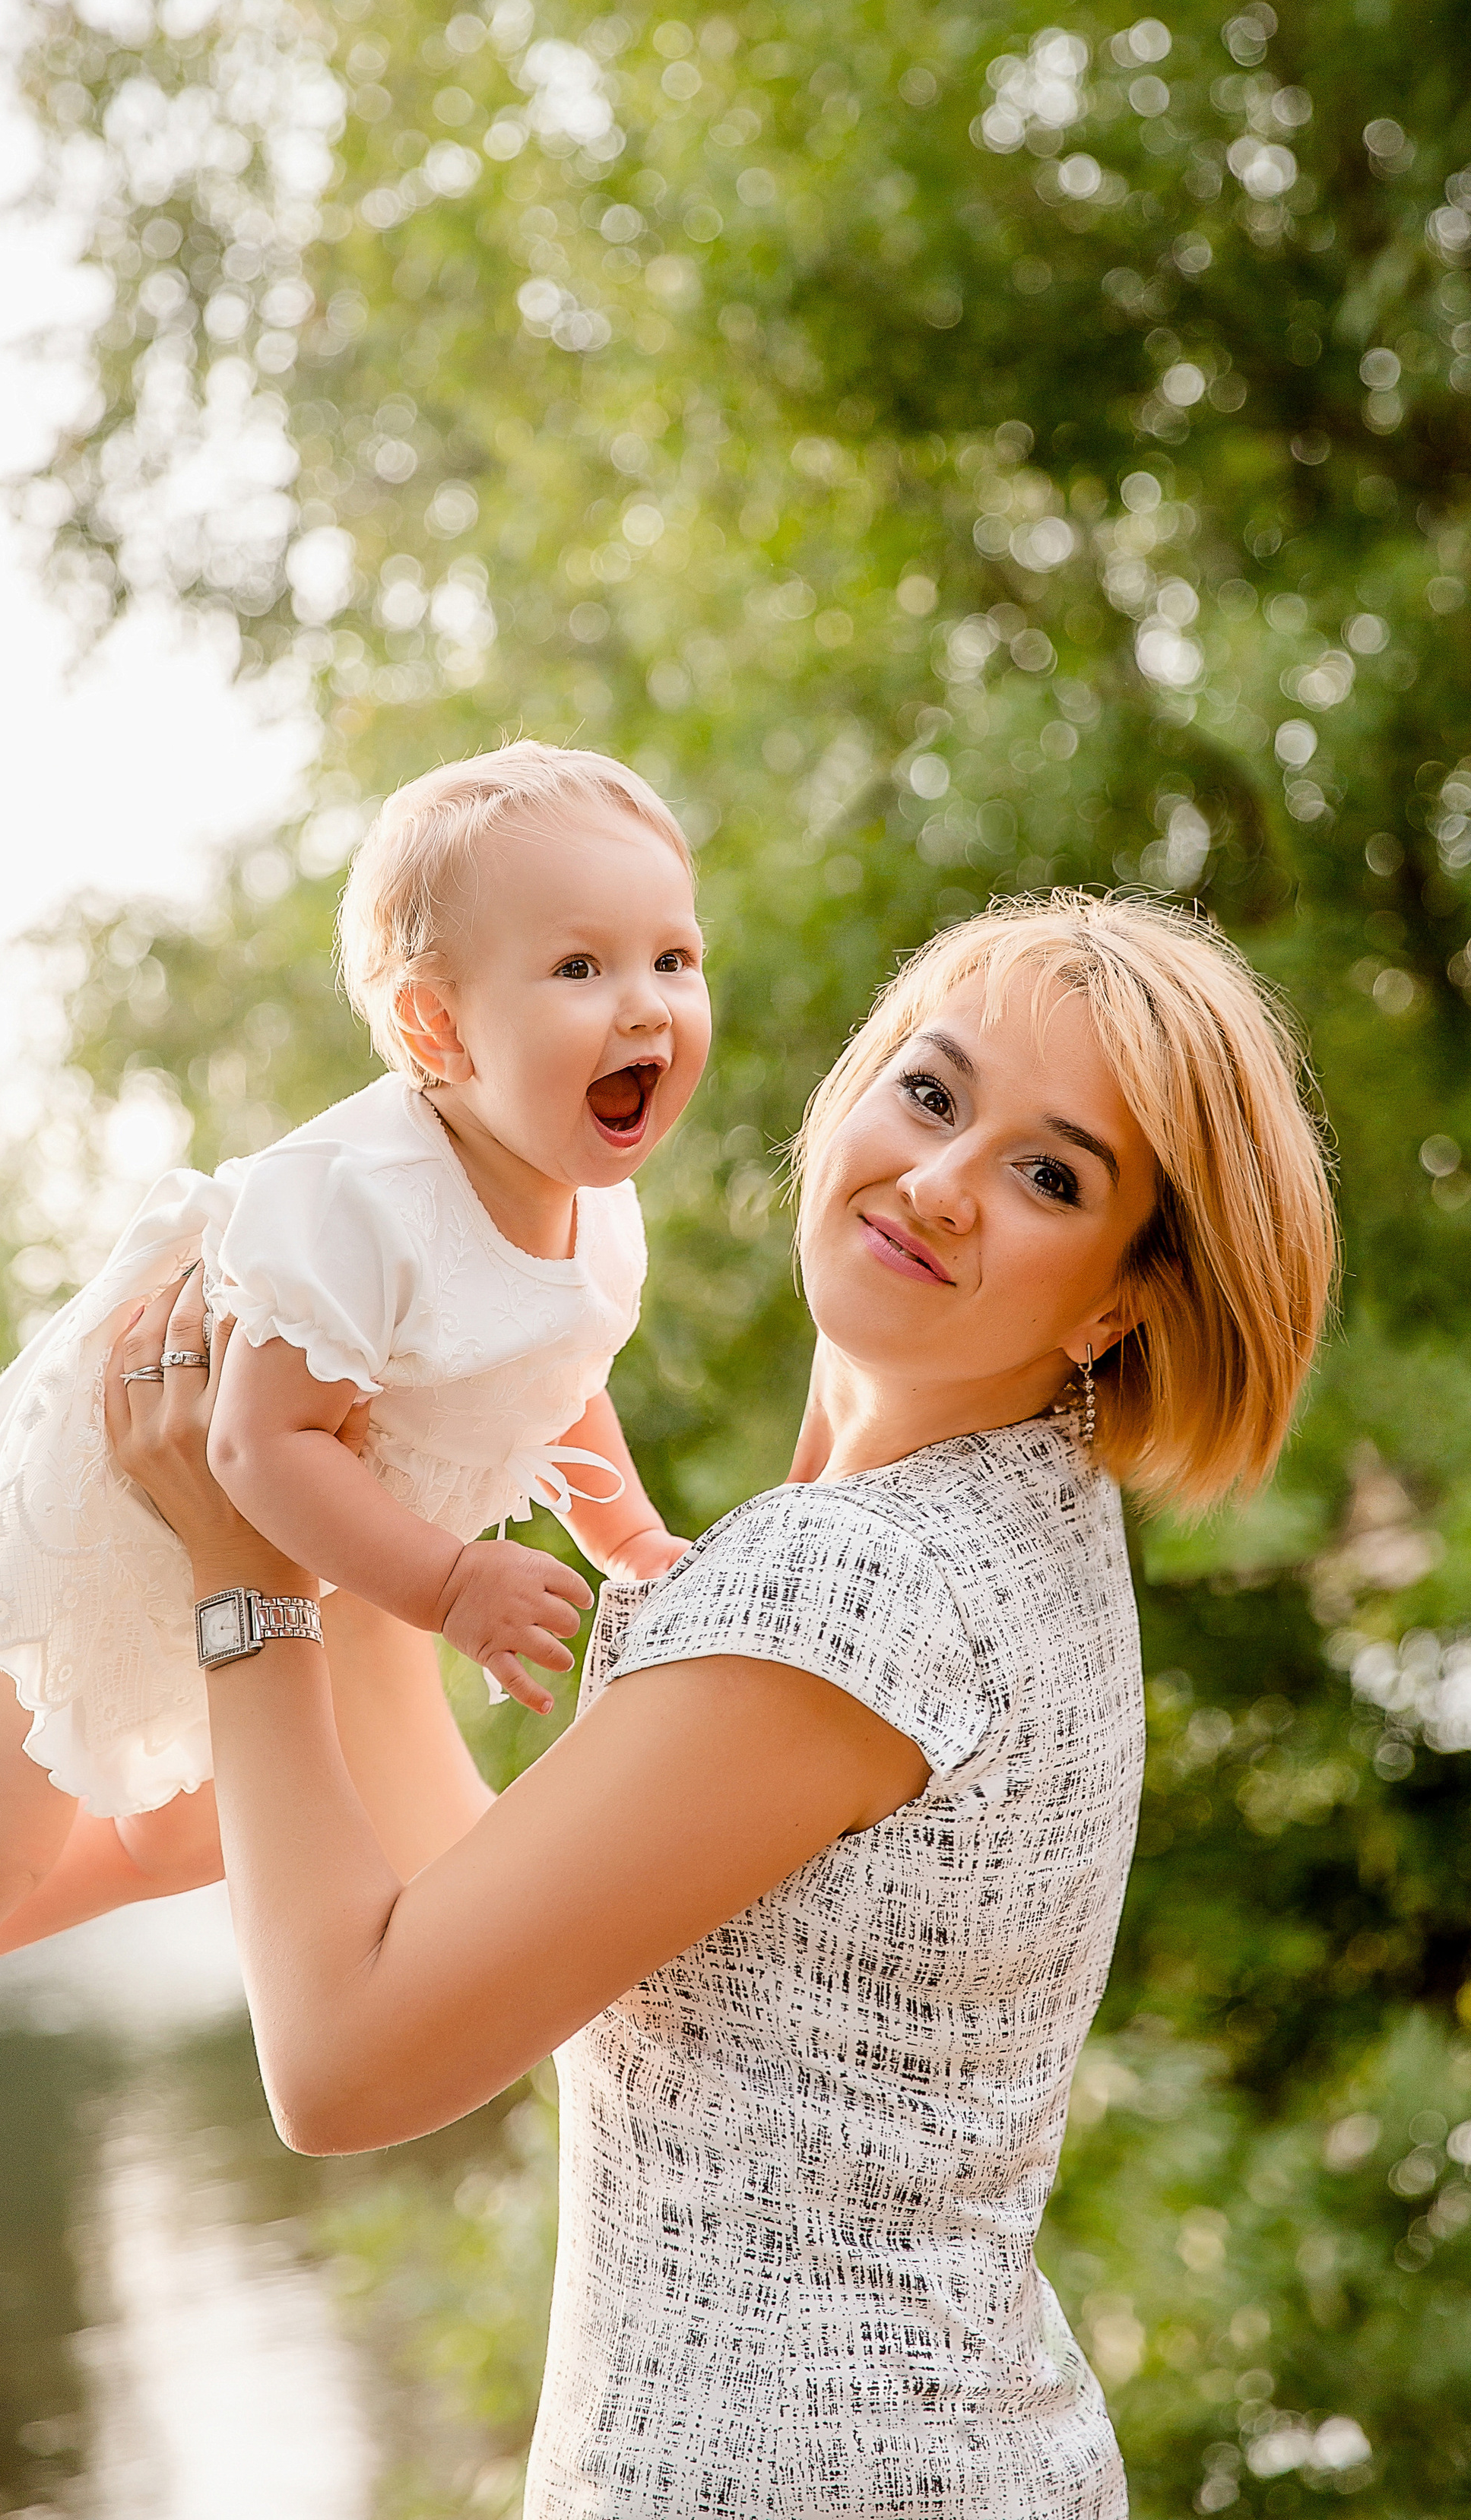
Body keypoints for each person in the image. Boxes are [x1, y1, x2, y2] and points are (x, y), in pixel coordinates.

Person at [101, 890, 1338, 2518]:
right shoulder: (1016, 1517)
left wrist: (244, 1574)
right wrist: (366, 1513)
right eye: (930, 1093)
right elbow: (529, 1965)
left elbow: (342, 2068)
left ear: (1117, 1300)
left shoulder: (859, 1587)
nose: (941, 1182)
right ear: (852, 1091)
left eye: (1050, 1177)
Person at [0, 741, 711, 2335]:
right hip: (111, 1518)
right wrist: (452, 1582)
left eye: (672, 958)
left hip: (282, 1540)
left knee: (194, 1840)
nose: (646, 1007)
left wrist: (634, 1542)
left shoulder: (593, 1210)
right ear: (436, 1030)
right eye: (580, 968)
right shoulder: (357, 1204)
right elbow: (256, 1445)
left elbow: (559, 1378)